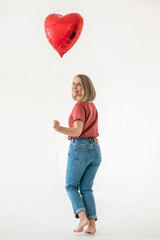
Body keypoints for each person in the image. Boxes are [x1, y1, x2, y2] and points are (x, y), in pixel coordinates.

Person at [53, 74, 102, 234]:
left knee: (71, 186)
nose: (74, 87)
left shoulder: (79, 106)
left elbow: (77, 130)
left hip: (80, 148)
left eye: (79, 84)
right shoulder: (92, 106)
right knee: (86, 188)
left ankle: (82, 217)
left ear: (86, 88)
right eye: (73, 84)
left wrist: (59, 129)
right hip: (95, 148)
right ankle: (92, 225)